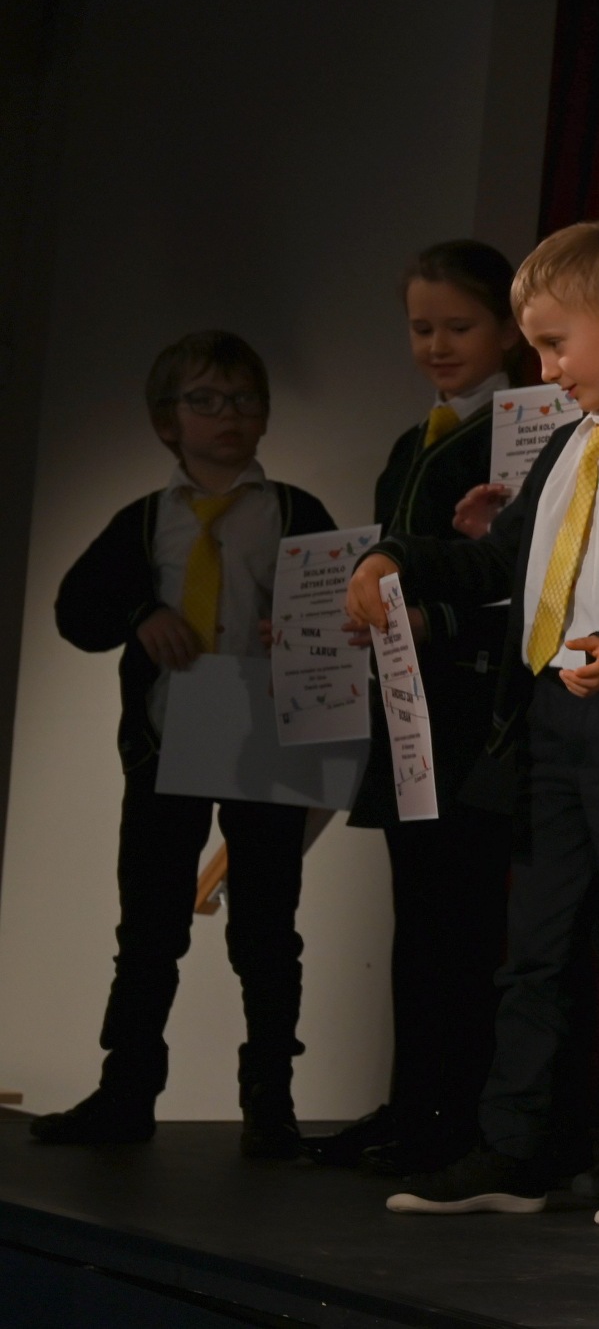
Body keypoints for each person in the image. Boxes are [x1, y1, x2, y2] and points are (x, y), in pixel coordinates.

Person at [347, 221, 599, 1231]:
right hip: (551, 725)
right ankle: (514, 1147)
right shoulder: (571, 443)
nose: (549, 370)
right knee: (535, 949)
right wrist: (403, 558)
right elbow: (500, 563)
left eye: (558, 345)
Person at [35, 331, 335, 1159]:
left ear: (265, 415)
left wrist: (298, 630)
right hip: (165, 746)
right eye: (205, 401)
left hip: (265, 744)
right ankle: (126, 1089)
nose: (227, 415)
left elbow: (339, 617)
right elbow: (75, 611)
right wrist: (141, 614)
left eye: (244, 400)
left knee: (268, 928)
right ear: (167, 421)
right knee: (149, 925)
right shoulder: (145, 522)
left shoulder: (296, 512)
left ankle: (270, 1102)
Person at [306, 242, 532, 1176]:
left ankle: (454, 1113)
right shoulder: (417, 440)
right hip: (409, 703)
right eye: (421, 327)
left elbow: (521, 580)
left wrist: (434, 612)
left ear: (509, 329)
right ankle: (412, 1101)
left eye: (459, 326)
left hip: (473, 706)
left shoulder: (526, 430)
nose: (437, 345)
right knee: (418, 917)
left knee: (464, 921)